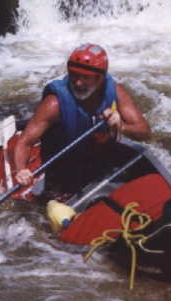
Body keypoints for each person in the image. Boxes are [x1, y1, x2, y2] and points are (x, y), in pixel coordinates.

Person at [12, 43, 151, 196]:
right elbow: (24, 142)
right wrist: (21, 170)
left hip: (100, 167)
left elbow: (145, 132)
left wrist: (121, 126)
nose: (78, 82)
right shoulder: (54, 104)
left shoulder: (116, 92)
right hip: (63, 172)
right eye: (74, 75)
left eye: (86, 77)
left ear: (100, 78)